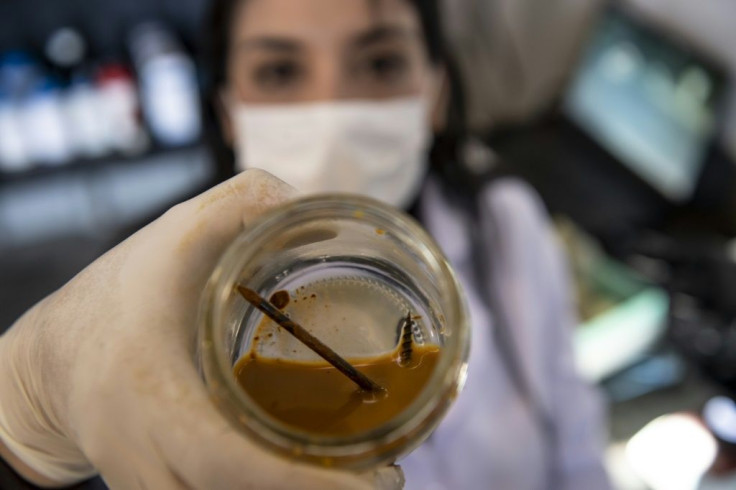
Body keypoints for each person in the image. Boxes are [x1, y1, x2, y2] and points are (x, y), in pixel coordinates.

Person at [0, 0, 611, 488]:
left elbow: (579, 450)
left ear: (436, 91)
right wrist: (22, 424)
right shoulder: (156, 303)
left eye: (379, 64)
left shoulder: (504, 220)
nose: (333, 107)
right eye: (281, 71)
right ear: (229, 111)